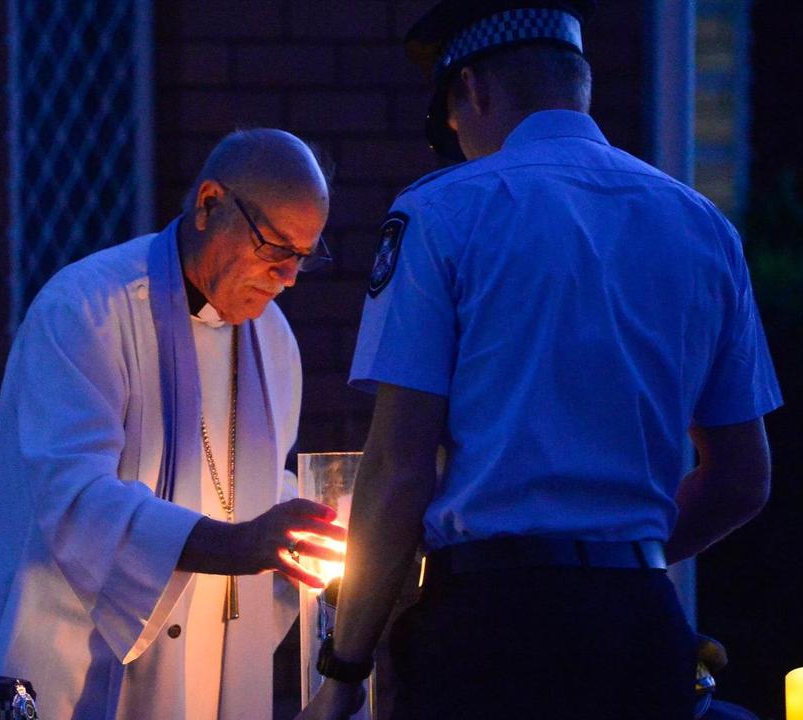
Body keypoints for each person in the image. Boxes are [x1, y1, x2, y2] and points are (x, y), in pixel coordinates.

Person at [299, 2, 782, 719]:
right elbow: (742, 476)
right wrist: (619, 554)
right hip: (642, 630)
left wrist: (344, 673)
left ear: (473, 90)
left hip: (489, 630)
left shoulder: (445, 213)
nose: (458, 144)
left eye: (452, 126)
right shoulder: (700, 226)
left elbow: (399, 466)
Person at [0, 128, 347, 719]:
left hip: (200, 683)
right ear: (209, 204)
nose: (288, 277)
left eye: (303, 257)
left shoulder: (274, 342)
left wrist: (320, 532)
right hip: (62, 674)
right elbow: (76, 500)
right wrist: (240, 542)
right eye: (274, 248)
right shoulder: (86, 311)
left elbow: (250, 494)